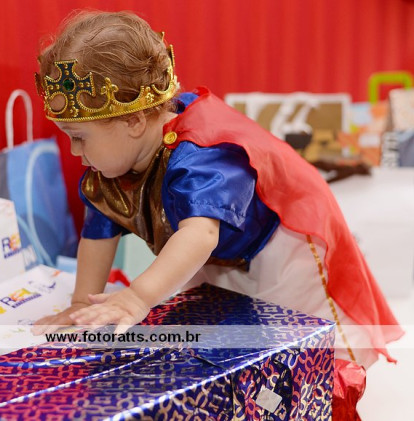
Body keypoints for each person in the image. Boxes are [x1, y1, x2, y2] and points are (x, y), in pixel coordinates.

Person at [31, 10, 403, 370]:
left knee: (302, 334)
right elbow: (98, 233)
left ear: (133, 121)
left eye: (79, 137)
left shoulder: (203, 156)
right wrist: (81, 303)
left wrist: (137, 298)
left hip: (281, 239)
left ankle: (322, 386)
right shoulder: (112, 164)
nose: (75, 152)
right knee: (223, 322)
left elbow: (200, 235)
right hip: (220, 252)